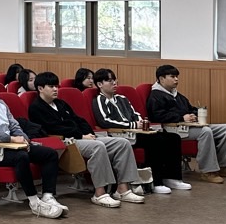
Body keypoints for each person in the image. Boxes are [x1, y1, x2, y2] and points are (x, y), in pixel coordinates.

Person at [29, 72, 142, 208]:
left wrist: (88, 133)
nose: (55, 89)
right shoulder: (36, 108)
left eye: (56, 86)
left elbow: (79, 120)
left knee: (122, 143)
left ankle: (122, 189)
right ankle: (100, 193)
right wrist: (81, 136)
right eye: (51, 86)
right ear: (40, 88)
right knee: (97, 146)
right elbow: (54, 128)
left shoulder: (60, 103)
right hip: (65, 141)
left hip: (82, 137)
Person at [0, 71, 65, 218]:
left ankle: (48, 196)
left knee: (50, 154)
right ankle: (34, 202)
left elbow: (14, 125)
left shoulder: (0, 103)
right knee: (21, 157)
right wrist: (10, 139)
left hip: (13, 145)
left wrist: (24, 139)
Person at [92, 69, 189, 194]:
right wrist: (132, 125)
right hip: (121, 134)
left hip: (136, 131)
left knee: (172, 137)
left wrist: (141, 122)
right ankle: (156, 182)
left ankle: (172, 177)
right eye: (109, 81)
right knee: (156, 141)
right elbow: (104, 121)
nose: (114, 83)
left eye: (115, 80)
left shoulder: (122, 98)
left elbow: (135, 114)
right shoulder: (99, 100)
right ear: (100, 84)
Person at [146, 64, 226, 184]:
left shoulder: (177, 95)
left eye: (177, 76)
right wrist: (181, 117)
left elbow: (190, 108)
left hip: (188, 126)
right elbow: (157, 116)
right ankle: (208, 171)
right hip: (172, 130)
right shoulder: (155, 96)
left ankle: (224, 166)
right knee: (205, 131)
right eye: (172, 76)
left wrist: (194, 114)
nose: (176, 79)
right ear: (161, 79)